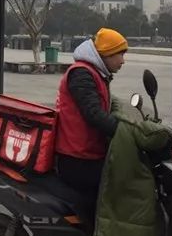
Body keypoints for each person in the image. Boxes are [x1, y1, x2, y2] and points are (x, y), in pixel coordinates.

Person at [54, 28, 128, 211]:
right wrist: (127, 132)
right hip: (77, 157)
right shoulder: (81, 74)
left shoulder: (97, 74)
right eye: (120, 54)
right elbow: (94, 113)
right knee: (116, 193)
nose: (123, 61)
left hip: (90, 153)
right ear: (107, 54)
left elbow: (108, 105)